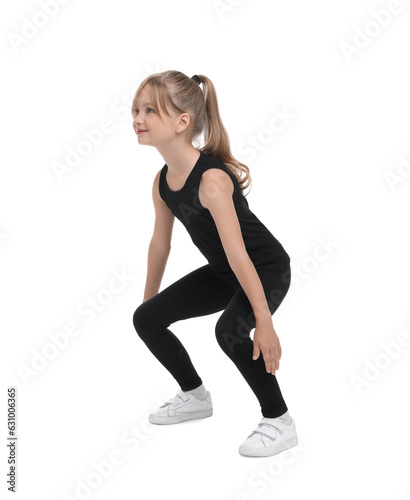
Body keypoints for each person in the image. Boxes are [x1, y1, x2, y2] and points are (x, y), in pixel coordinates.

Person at [131, 70, 298, 458]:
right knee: (144, 320)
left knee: (229, 332)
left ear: (181, 122)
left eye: (149, 111)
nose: (137, 119)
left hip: (265, 269)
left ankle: (279, 419)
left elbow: (241, 254)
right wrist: (148, 304)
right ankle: (195, 396)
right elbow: (160, 243)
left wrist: (265, 321)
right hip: (227, 273)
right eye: (135, 110)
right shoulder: (162, 182)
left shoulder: (212, 181)